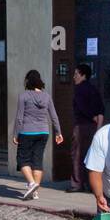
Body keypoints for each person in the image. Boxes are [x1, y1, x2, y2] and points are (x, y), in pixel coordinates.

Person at [12, 69, 63, 200]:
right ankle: (35, 192)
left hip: (27, 131)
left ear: (27, 81)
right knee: (37, 160)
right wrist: (58, 132)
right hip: (43, 132)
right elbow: (54, 116)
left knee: (22, 159)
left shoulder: (23, 96)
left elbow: (19, 118)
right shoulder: (47, 96)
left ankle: (32, 183)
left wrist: (16, 134)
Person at [69, 64, 104, 193]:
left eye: (76, 74)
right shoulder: (94, 89)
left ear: (83, 75)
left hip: (81, 125)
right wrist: (98, 124)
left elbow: (82, 107)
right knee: (91, 156)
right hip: (93, 127)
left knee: (77, 154)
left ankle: (77, 184)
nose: (74, 77)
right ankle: (91, 184)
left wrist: (91, 117)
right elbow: (101, 109)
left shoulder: (79, 89)